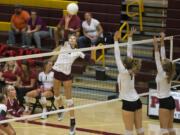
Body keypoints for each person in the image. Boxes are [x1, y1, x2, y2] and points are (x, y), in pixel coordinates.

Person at [53, 35, 85, 135]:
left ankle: (72, 122)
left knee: (69, 99)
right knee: (56, 95)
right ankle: (61, 108)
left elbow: (89, 60)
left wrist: (93, 51)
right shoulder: (64, 45)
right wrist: (66, 22)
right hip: (57, 72)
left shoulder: (77, 52)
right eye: (70, 38)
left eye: (74, 38)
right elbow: (64, 34)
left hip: (66, 76)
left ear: (76, 42)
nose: (71, 39)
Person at [114, 28, 144, 135]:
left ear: (124, 65)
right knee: (140, 130)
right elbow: (129, 52)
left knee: (129, 132)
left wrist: (115, 41)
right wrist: (130, 37)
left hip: (128, 103)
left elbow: (117, 55)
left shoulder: (122, 71)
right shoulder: (132, 69)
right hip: (137, 101)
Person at [153, 33, 176, 135]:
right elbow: (163, 56)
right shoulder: (169, 72)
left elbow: (158, 57)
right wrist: (162, 40)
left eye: (162, 63)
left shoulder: (162, 73)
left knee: (164, 129)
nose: (161, 62)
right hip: (170, 100)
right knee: (170, 127)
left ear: (164, 65)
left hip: (165, 102)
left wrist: (155, 44)